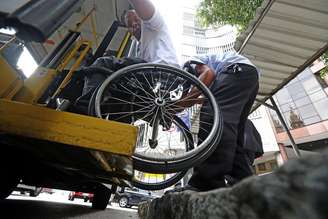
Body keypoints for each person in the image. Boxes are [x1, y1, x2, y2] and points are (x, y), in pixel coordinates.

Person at [176, 51, 260, 192]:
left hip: (236, 70)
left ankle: (205, 182)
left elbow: (208, 74)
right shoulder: (197, 77)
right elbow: (194, 98)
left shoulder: (190, 63)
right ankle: (244, 183)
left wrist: (177, 106)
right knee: (234, 137)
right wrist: (180, 105)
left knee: (212, 119)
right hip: (249, 77)